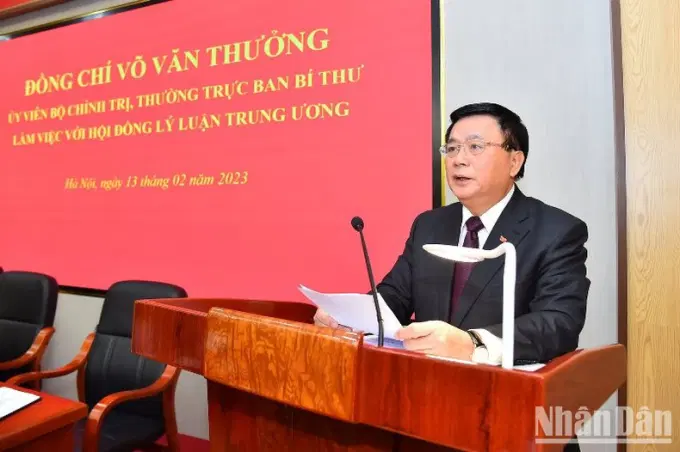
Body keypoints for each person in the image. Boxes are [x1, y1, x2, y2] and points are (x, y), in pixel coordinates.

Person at [314, 102, 589, 366]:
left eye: (475, 147)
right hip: (424, 384)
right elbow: (395, 295)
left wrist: (474, 344)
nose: (458, 160)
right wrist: (348, 317)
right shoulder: (429, 225)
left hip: (502, 388)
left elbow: (559, 322)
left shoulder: (555, 231)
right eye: (452, 148)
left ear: (514, 162)